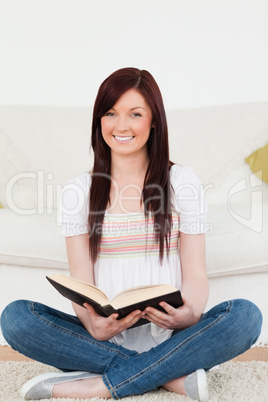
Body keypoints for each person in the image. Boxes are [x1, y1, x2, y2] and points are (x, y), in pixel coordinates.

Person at [0, 67, 262, 401]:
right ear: (99, 121)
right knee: (16, 318)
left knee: (245, 317)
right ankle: (168, 375)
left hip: (172, 333)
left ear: (153, 121)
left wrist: (190, 313)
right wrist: (93, 324)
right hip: (102, 337)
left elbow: (195, 273)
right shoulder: (78, 192)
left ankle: (99, 383)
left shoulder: (182, 183)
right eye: (110, 113)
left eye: (134, 114)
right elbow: (82, 282)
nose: (121, 126)